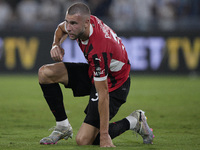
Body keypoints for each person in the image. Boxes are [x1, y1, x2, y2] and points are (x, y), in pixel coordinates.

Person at [38, 2, 154, 147]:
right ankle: (63, 127)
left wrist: (105, 135)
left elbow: (103, 94)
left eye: (73, 23)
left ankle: (135, 120)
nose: (69, 27)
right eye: (67, 21)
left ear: (86, 23)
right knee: (45, 73)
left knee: (84, 140)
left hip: (115, 85)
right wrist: (56, 45)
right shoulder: (83, 22)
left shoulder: (99, 50)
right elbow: (61, 29)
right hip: (95, 73)